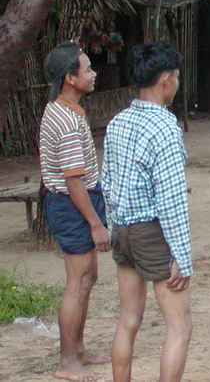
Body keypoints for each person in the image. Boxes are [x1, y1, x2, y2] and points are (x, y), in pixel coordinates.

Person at [102, 43, 192, 382]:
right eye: (177, 77)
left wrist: (113, 228)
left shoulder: (118, 122)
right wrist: (181, 255)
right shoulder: (165, 127)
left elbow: (106, 181)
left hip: (123, 230)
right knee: (180, 327)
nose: (177, 83)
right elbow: (171, 200)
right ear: (165, 79)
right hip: (153, 232)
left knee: (128, 320)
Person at [39, 41, 110, 382]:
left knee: (87, 278)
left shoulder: (65, 110)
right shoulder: (66, 120)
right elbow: (73, 180)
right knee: (77, 281)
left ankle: (77, 350)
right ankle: (67, 361)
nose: (93, 74)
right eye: (88, 68)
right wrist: (95, 223)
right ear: (70, 78)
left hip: (75, 201)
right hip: (73, 203)